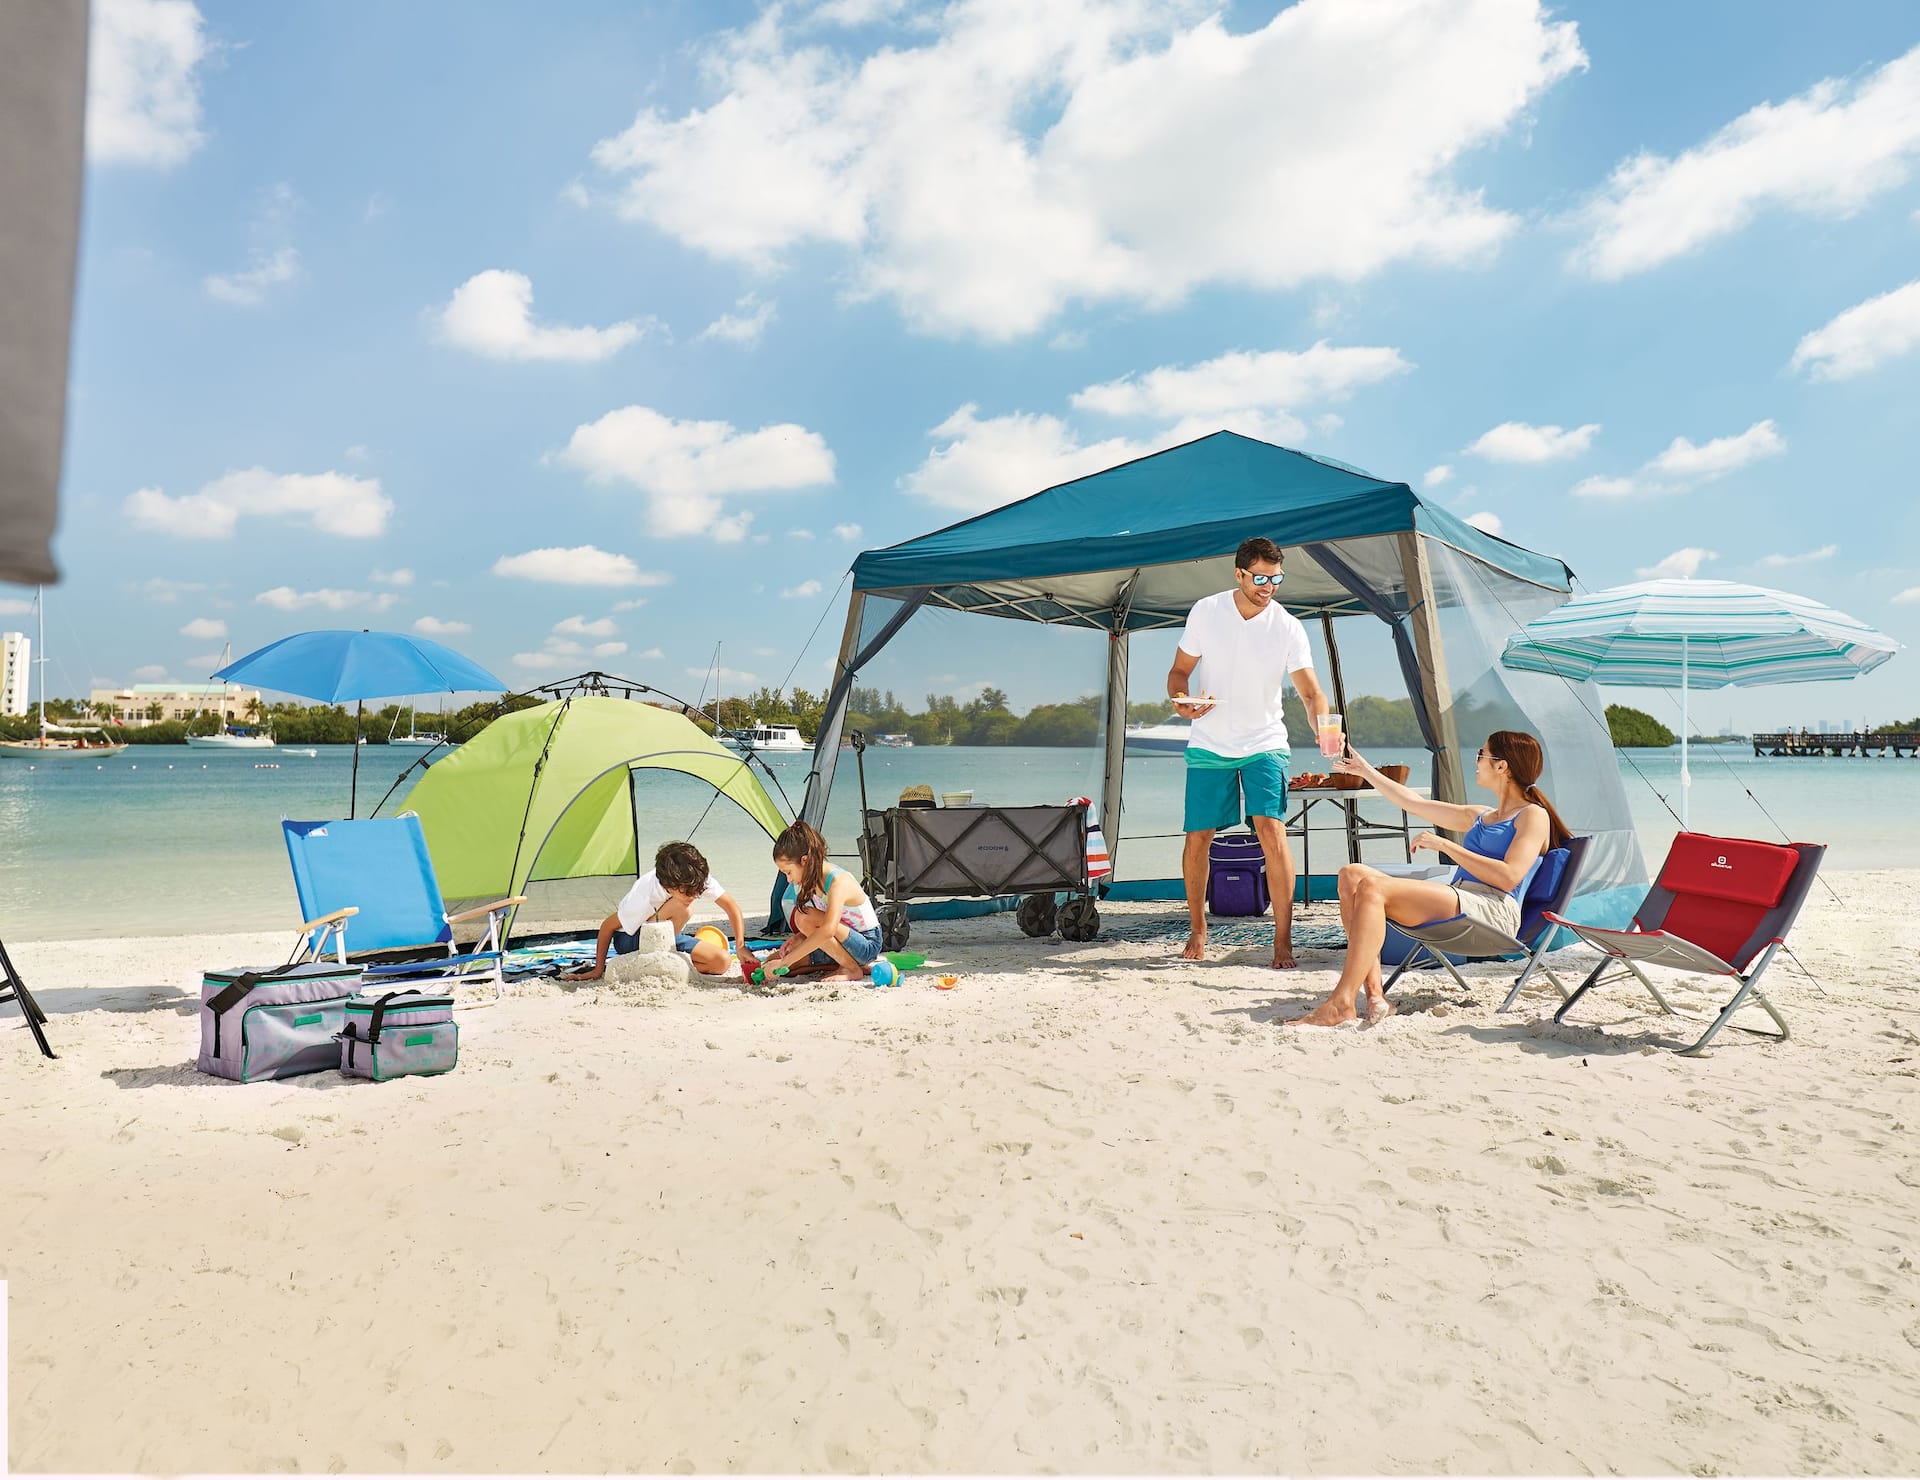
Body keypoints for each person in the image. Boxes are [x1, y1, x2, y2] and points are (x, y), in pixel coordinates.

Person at [1296, 730, 1571, 1027]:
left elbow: (1508, 877)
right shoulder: (1482, 816)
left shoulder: (1532, 816)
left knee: (1373, 886)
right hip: (1462, 900)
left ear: (1502, 766)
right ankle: (1375, 996)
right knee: (1352, 874)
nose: (1476, 761)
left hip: (1493, 910)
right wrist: (1366, 770)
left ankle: (1341, 1003)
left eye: (1481, 754)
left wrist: (1446, 845)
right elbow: (1412, 803)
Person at [1168, 536, 1330, 968]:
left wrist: (1324, 728)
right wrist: (1182, 700)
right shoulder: (1206, 611)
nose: (1269, 586)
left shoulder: (1288, 626)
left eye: (1276, 578)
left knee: (1271, 831)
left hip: (1264, 741)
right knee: (1198, 837)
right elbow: (1179, 672)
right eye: (1260, 577)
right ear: (1239, 573)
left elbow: (1312, 694)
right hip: (1208, 741)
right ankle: (1198, 931)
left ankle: (1282, 940)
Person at [561, 840, 749, 981]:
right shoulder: (647, 895)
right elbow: (607, 926)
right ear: (667, 885)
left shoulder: (694, 878)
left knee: (722, 961)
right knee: (684, 908)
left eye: (697, 889)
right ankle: (660, 957)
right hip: (630, 939)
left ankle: (670, 959)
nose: (694, 894)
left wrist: (740, 946)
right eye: (688, 891)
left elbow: (732, 907)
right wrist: (597, 969)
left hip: (666, 935)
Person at [760, 820, 884, 983]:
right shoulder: (810, 879)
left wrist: (786, 961)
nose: (789, 879)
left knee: (802, 917)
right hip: (839, 942)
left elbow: (827, 929)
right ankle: (849, 965)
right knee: (771, 964)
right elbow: (821, 926)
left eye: (788, 872)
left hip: (865, 944)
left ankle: (852, 969)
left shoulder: (838, 881)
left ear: (804, 861)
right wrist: (798, 938)